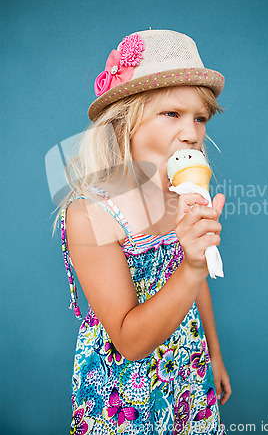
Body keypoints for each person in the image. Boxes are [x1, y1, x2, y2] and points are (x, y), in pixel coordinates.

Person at [55, 29, 231, 434]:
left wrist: (214, 353)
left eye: (200, 118)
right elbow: (130, 342)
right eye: (172, 114)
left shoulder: (183, 194)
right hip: (126, 389)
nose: (192, 132)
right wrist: (189, 268)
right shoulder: (90, 212)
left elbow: (196, 272)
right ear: (126, 118)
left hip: (187, 363)